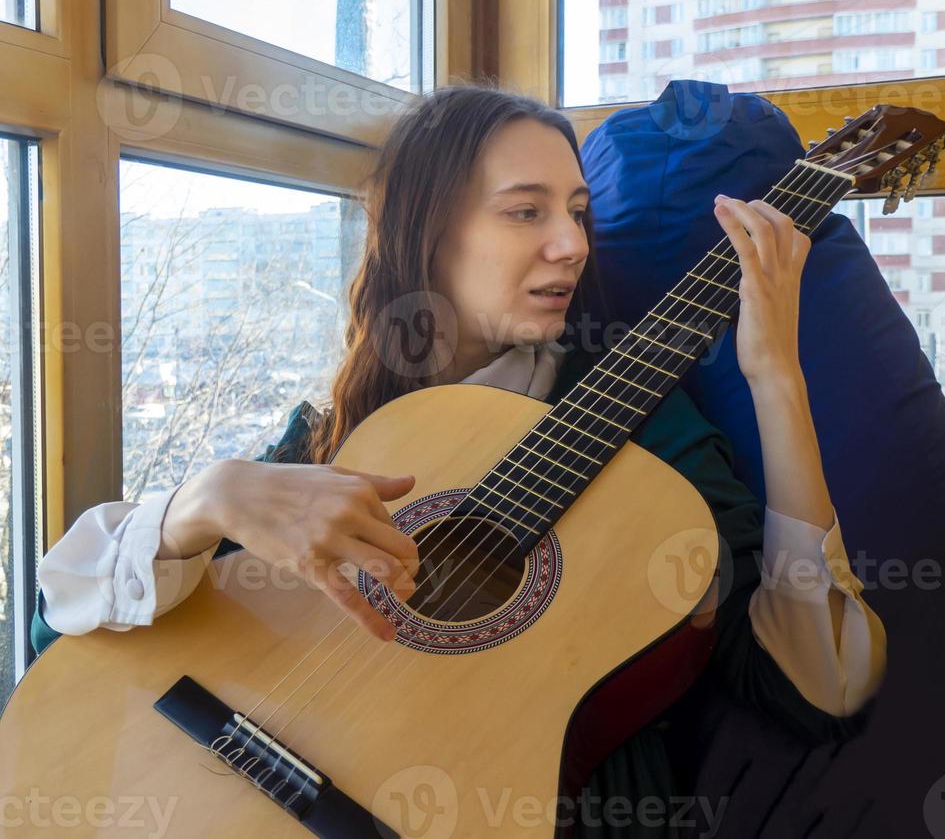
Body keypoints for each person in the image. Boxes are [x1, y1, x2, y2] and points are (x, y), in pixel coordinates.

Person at [31, 84, 886, 837]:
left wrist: (775, 375)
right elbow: (65, 625)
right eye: (526, 211)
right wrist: (206, 500)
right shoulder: (345, 432)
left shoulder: (652, 434)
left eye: (579, 211)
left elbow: (823, 685)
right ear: (428, 230)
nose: (572, 245)